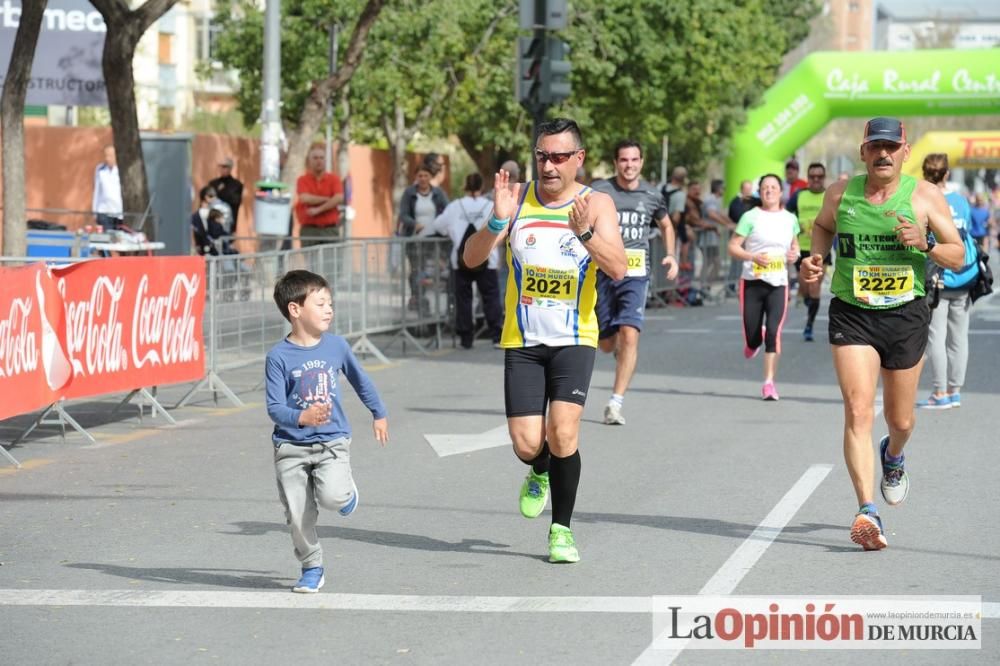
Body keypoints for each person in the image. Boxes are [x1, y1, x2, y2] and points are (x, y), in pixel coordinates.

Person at [461, 118, 626, 563]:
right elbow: (471, 259)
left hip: (575, 338)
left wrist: (586, 234)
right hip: (524, 340)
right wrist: (496, 218)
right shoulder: (516, 200)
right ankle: (538, 469)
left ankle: (561, 531)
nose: (548, 166)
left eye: (558, 157)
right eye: (541, 156)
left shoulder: (598, 203)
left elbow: (618, 269)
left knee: (564, 432)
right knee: (527, 443)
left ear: (579, 159)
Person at [800, 117, 964, 551]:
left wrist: (925, 244)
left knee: (901, 420)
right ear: (864, 152)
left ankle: (893, 455)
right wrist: (815, 258)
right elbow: (822, 226)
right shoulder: (841, 193)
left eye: (892, 147)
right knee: (857, 410)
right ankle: (867, 510)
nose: (884, 154)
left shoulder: (925, 197)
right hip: (852, 312)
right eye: (876, 147)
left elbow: (958, 255)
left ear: (905, 152)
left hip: (905, 314)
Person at [265, 270, 389, 593]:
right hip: (290, 446)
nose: (329, 310)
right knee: (297, 515)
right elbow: (274, 408)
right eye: (320, 303)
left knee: (333, 497)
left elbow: (361, 380)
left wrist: (379, 412)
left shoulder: (336, 346)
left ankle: (346, 492)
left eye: (329, 303)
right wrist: (301, 416)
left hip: (332, 440)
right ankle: (312, 565)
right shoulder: (278, 357)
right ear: (295, 310)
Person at [590, 140, 678, 425]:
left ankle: (615, 403)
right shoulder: (600, 190)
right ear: (616, 163)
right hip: (603, 271)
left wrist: (671, 255)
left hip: (636, 274)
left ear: (641, 162)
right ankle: (615, 348)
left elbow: (666, 224)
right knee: (605, 343)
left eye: (634, 160)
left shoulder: (652, 194)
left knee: (630, 333)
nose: (629, 165)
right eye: (624, 160)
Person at [727, 174, 800, 401]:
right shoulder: (750, 216)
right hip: (752, 281)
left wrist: (793, 255)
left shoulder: (790, 219)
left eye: (773, 187)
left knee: (774, 332)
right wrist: (752, 256)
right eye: (765, 188)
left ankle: (769, 383)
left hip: (778, 283)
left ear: (781, 192)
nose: (769, 191)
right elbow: (733, 246)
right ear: (760, 192)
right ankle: (752, 341)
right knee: (752, 334)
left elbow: (795, 248)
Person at [917, 154, 975, 410]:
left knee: (936, 337)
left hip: (936, 278)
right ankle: (955, 390)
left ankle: (939, 392)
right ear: (947, 174)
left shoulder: (924, 200)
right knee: (959, 337)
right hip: (963, 275)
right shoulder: (961, 202)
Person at [431, 172, 502, 349]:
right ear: (481, 187)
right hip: (488, 259)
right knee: (490, 296)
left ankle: (466, 338)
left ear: (465, 186)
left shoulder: (455, 206)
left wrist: (451, 232)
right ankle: (496, 335)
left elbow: (438, 225)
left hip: (461, 259)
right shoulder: (490, 206)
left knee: (463, 299)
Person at [398, 164, 449, 312]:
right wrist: (414, 224)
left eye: (426, 175)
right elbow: (403, 214)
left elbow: (448, 210)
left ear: (430, 177)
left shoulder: (438, 193)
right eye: (420, 176)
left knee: (435, 270)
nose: (423, 179)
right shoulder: (409, 193)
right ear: (416, 177)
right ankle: (417, 298)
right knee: (417, 270)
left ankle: (433, 301)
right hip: (415, 240)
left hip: (434, 240)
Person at [787, 162, 829, 341]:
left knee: (814, 286)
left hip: (821, 250)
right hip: (801, 248)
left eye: (820, 176)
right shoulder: (799, 195)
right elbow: (785, 216)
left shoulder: (830, 195)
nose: (816, 180)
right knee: (804, 288)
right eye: (812, 177)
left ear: (824, 178)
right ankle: (808, 301)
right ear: (808, 178)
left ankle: (809, 325)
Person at [295, 146, 345, 247]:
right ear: (309, 160)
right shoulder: (302, 180)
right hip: (309, 230)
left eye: (322, 158)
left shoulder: (334, 179)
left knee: (331, 262)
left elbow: (339, 198)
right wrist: (329, 200)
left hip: (329, 230)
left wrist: (318, 210)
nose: (319, 161)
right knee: (311, 262)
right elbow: (305, 198)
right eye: (315, 158)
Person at [208, 157, 244, 233]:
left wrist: (220, 193)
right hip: (213, 222)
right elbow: (208, 199)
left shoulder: (237, 185)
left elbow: (236, 200)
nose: (222, 169)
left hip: (229, 222)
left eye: (225, 167)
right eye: (220, 166)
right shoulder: (213, 183)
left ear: (230, 168)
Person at [92, 144, 123, 230]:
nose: (107, 158)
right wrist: (94, 211)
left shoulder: (120, 170)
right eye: (106, 155)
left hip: (118, 211)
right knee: (106, 236)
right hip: (103, 211)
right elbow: (97, 191)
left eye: (110, 156)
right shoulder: (100, 169)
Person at [190, 186, 228, 256]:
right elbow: (195, 234)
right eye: (211, 196)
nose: (214, 198)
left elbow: (221, 231)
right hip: (202, 251)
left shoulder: (216, 213)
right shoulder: (195, 216)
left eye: (214, 196)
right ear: (205, 197)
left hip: (216, 251)